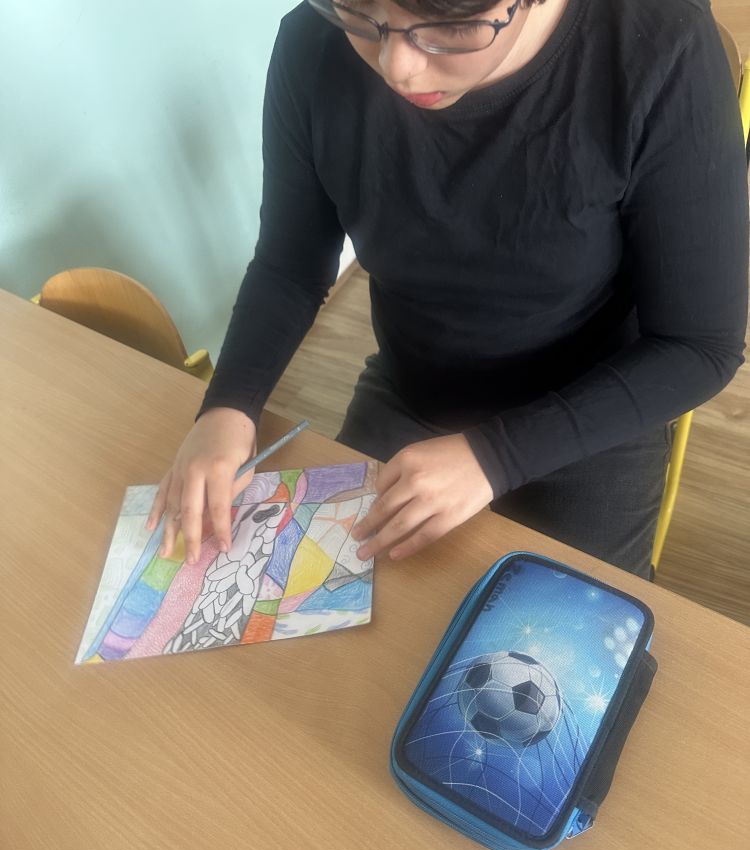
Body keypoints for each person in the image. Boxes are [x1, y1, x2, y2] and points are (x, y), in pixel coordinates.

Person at [148, 0, 748, 578]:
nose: (398, 69)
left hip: (593, 412)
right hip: (415, 392)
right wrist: (228, 407)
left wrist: (494, 455)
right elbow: (291, 263)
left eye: (450, 27)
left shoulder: (658, 50)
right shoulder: (312, 43)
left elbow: (699, 345)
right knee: (332, 607)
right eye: (359, 11)